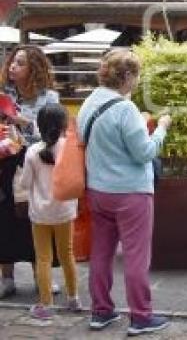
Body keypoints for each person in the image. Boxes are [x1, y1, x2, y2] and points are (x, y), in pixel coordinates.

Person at [78, 49, 172, 335]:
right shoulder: (125, 109)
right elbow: (144, 152)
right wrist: (161, 129)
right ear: (127, 75)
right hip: (131, 192)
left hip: (98, 190)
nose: (138, 80)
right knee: (136, 256)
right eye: (137, 75)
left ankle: (101, 311)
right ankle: (141, 316)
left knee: (102, 254)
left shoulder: (89, 103)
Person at [0, 45, 59, 300]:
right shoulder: (3, 93)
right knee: (4, 220)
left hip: (35, 164)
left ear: (34, 68)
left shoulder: (49, 98)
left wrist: (24, 122)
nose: (13, 66)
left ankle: (40, 274)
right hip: (5, 163)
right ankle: (7, 278)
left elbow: (52, 135)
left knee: (36, 217)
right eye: (13, 61)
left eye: (21, 63)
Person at [17, 103, 80, 320]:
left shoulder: (33, 152)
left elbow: (25, 183)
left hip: (40, 214)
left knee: (43, 258)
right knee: (67, 255)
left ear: (40, 125)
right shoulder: (69, 147)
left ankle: (46, 305)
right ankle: (73, 298)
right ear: (64, 124)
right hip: (65, 211)